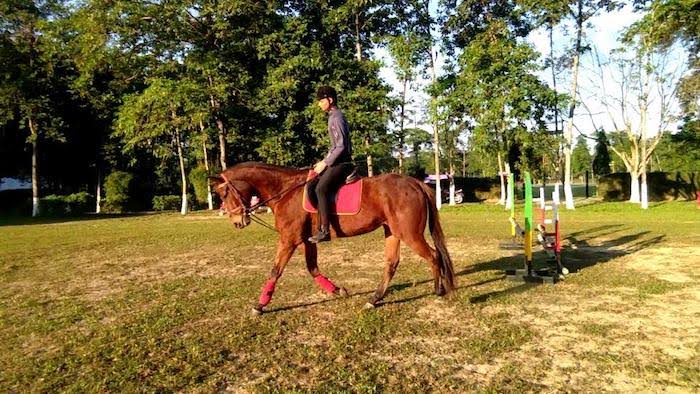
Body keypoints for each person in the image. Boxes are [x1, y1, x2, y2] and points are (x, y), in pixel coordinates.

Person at [307, 86, 353, 243]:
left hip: (343, 163)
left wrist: (326, 163)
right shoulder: (332, 116)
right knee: (312, 185)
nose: (319, 104)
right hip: (336, 161)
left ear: (330, 100)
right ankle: (319, 221)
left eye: (321, 101)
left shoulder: (337, 117)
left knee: (321, 188)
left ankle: (325, 230)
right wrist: (322, 161)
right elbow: (334, 147)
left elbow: (341, 146)